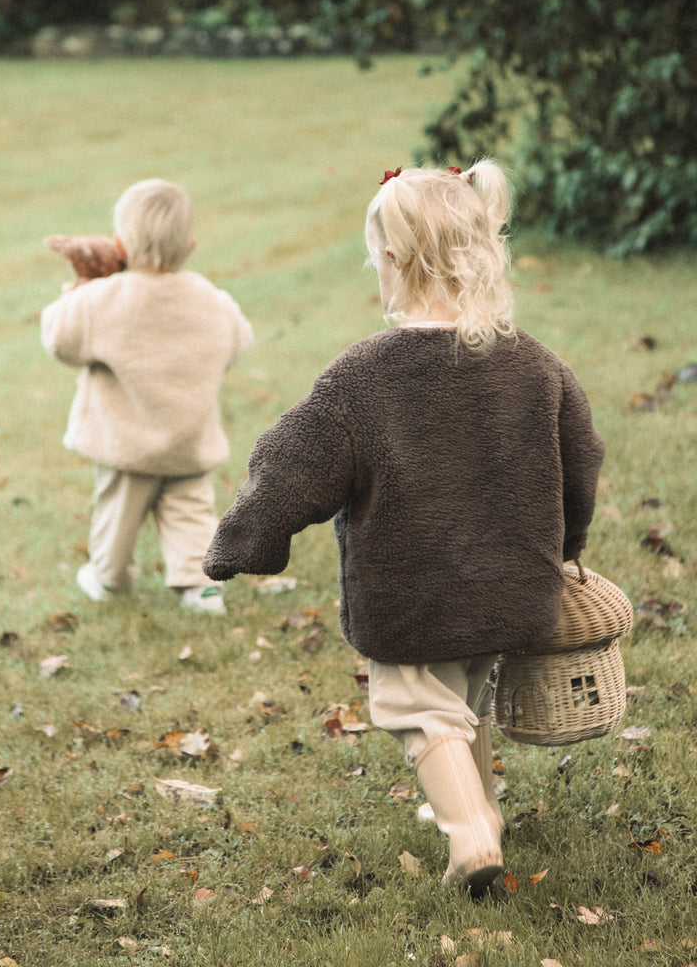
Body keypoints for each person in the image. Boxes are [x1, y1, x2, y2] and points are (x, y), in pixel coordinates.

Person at [203, 161, 604, 891]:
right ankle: (483, 808)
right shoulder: (538, 366)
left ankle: (472, 832)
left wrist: (243, 539)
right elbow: (582, 459)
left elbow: (289, 465)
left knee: (416, 704)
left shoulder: (362, 378)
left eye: (374, 260)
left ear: (394, 264)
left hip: (411, 593)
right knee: (466, 699)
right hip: (513, 588)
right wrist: (568, 547)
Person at [41, 178, 254, 615]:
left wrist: (77, 289)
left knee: (117, 517)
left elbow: (58, 338)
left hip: (127, 444)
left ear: (119, 244)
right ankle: (202, 589)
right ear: (190, 246)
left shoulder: (102, 299)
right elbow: (238, 341)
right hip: (188, 440)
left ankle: (108, 578)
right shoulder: (209, 299)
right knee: (192, 514)